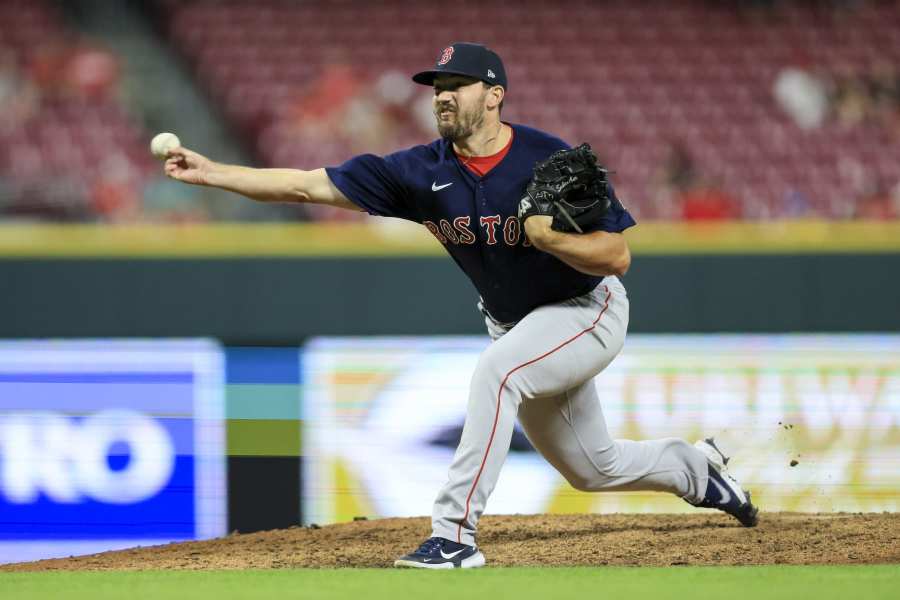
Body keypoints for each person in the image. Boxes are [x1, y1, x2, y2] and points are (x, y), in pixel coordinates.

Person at [163, 42, 759, 569]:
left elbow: (618, 255)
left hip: (587, 311)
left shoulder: (547, 160)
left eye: (456, 87)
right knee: (590, 468)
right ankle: (694, 471)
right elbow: (304, 184)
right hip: (517, 327)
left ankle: (453, 536)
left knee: (497, 375)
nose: (442, 98)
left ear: (494, 95)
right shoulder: (421, 172)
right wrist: (213, 173)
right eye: (437, 89)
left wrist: (553, 239)